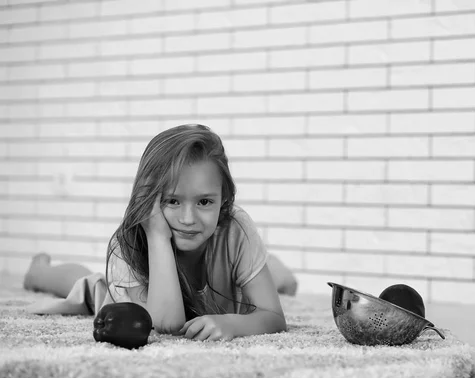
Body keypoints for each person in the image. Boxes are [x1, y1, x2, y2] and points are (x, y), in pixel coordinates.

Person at [23, 124, 298, 341]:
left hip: (229, 281)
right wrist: (156, 237)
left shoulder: (236, 228)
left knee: (278, 279)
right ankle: (39, 270)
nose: (188, 219)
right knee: (89, 286)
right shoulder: (129, 244)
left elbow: (274, 317)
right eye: (172, 201)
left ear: (224, 198)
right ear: (150, 198)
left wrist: (230, 322)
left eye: (204, 202)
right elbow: (166, 324)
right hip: (134, 293)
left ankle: (278, 272)